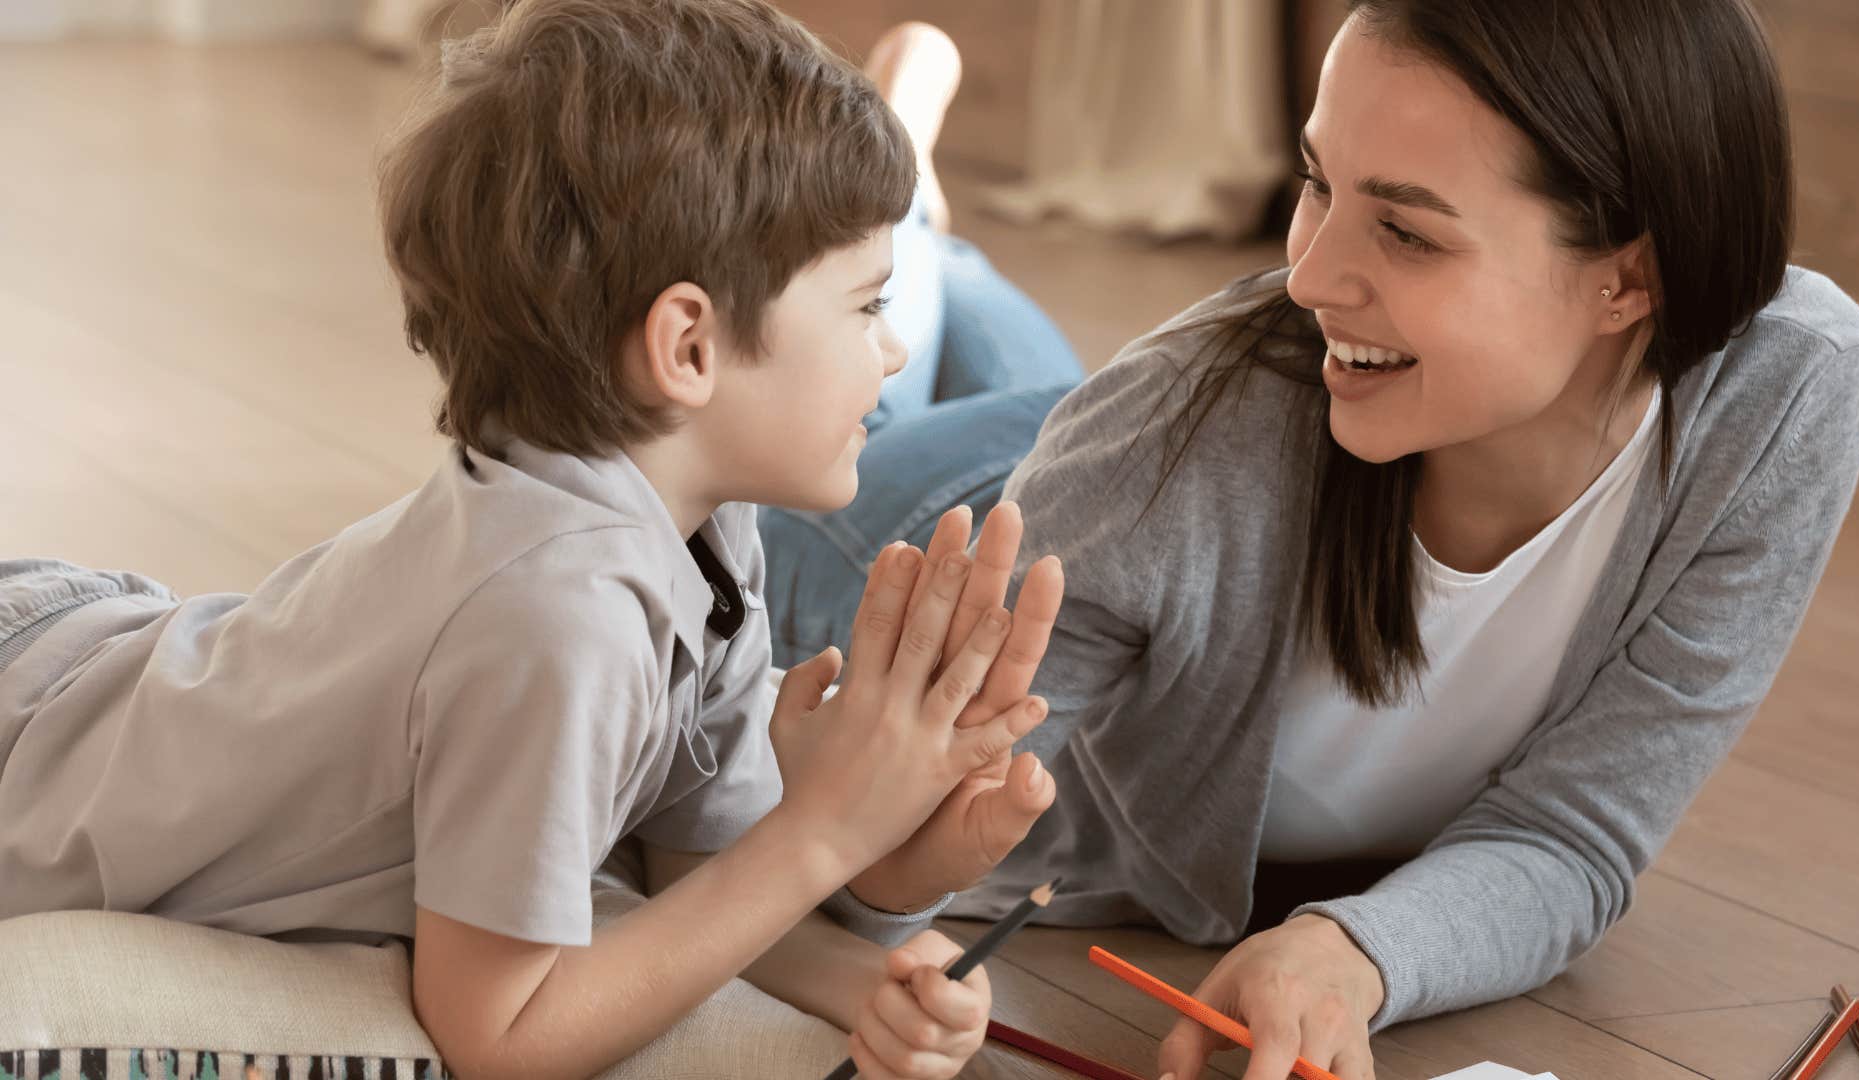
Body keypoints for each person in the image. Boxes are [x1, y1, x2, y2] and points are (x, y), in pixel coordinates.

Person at [760, 2, 1859, 1077]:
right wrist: (865, 854)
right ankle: (898, 194)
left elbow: (1577, 838)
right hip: (919, 522)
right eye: (1316, 182)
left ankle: (916, 204)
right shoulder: (1167, 436)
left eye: (1403, 229)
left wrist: (1354, 952)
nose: (1306, 274)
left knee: (1022, 369)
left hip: (1122, 449)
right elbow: (864, 861)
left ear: (1628, 278)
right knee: (859, 364)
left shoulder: (1788, 390)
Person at [0, 4, 1069, 1079]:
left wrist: (864, 985)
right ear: (688, 346)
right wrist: (825, 834)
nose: (892, 353)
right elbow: (500, 1034)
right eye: (867, 306)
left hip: (84, 657)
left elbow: (689, 880)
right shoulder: (557, 619)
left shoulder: (704, 526)